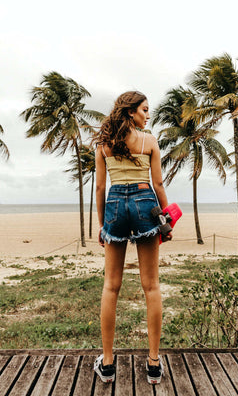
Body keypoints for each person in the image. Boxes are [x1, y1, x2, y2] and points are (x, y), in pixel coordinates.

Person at [92, 90, 169, 385]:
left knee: (111, 286)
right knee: (151, 285)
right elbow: (158, 182)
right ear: (131, 112)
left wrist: (102, 224)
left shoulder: (104, 143)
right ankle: (152, 364)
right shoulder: (149, 141)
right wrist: (166, 219)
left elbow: (100, 188)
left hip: (114, 205)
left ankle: (108, 364)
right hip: (145, 202)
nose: (148, 115)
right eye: (145, 110)